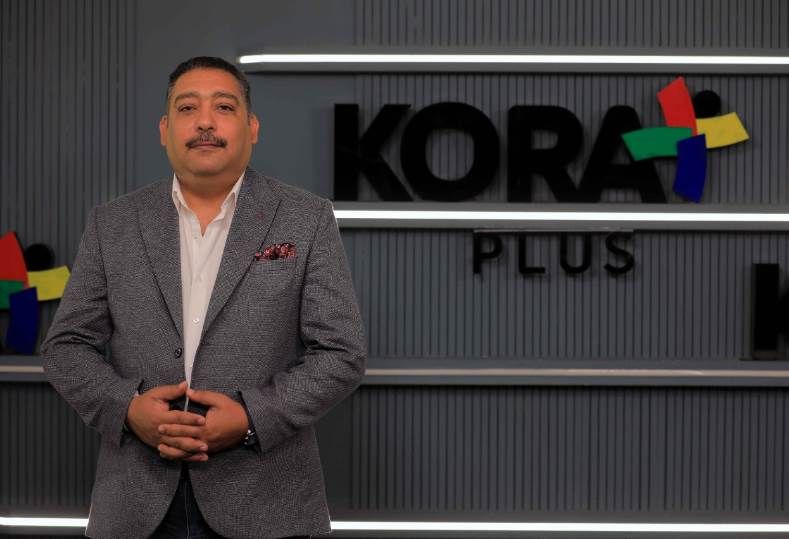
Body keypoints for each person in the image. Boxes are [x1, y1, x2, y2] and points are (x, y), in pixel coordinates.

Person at [42, 56, 367, 539]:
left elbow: (342, 353)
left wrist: (252, 417)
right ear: (164, 129)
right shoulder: (113, 224)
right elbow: (65, 347)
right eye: (187, 107)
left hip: (269, 503)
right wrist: (127, 409)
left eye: (224, 107)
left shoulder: (306, 218)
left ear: (252, 127)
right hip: (135, 505)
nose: (205, 123)